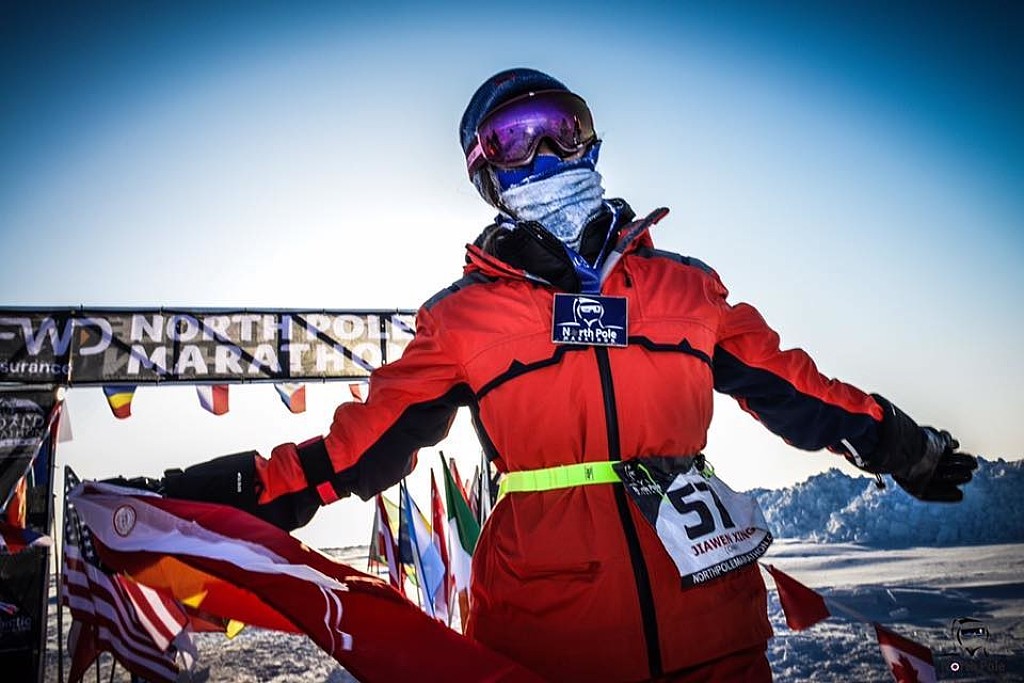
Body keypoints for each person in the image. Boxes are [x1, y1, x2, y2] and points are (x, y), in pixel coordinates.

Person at [127, 68, 978, 682]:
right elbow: (354, 451)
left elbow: (799, 389)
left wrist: (904, 445)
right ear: (487, 176)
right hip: (551, 641)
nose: (542, 154)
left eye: (558, 128)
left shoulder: (685, 289)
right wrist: (209, 495)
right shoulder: (466, 318)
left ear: (590, 138)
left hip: (716, 631)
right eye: (512, 140)